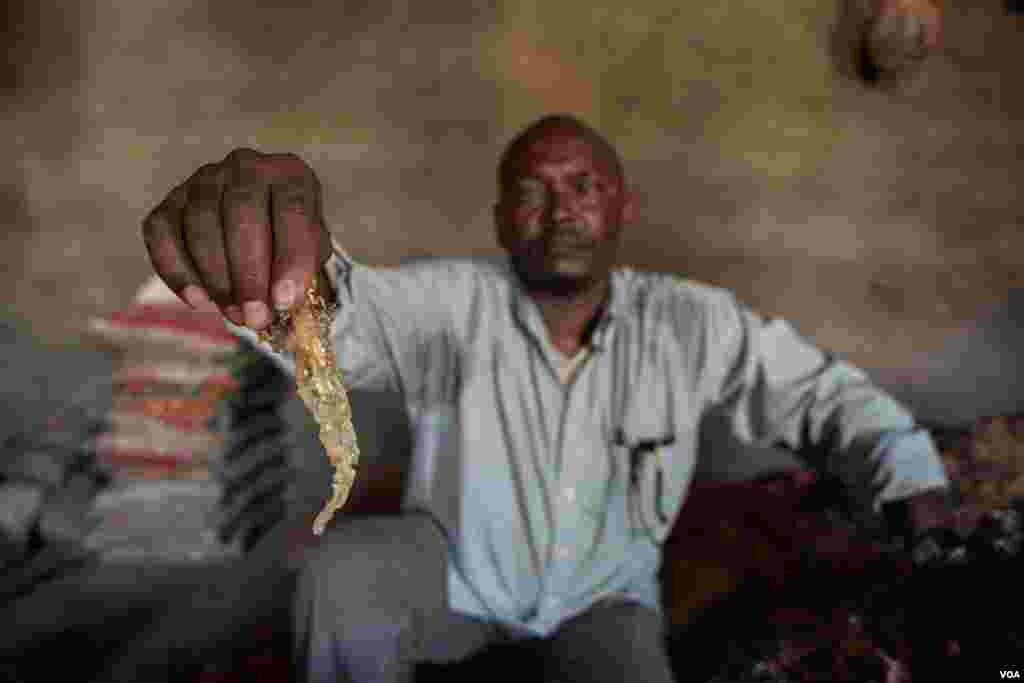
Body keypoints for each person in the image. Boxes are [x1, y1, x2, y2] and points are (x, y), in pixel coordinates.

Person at [142, 114, 954, 682]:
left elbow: (820, 395)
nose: (561, 209)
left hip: (603, 598)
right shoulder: (453, 303)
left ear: (623, 208)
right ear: (501, 219)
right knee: (341, 572)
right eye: (533, 191)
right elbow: (345, 316)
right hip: (455, 569)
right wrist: (283, 269)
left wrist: (910, 476)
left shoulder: (690, 323)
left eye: (585, 186)